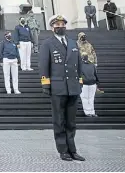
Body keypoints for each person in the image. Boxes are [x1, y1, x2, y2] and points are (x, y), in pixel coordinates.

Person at [40, 15, 85, 162]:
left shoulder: (73, 43)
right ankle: (63, 150)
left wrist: (80, 81)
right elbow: (44, 65)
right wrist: (46, 84)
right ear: (52, 27)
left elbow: (79, 65)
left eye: (63, 24)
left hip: (73, 87)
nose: (61, 27)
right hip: (58, 87)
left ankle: (73, 149)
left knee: (71, 121)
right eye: (57, 24)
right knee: (59, 120)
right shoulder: (48, 43)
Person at [79, 53, 99, 117]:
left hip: (84, 83)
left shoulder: (79, 65)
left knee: (84, 98)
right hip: (92, 83)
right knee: (91, 98)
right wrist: (97, 82)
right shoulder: (92, 65)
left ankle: (87, 112)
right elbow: (95, 74)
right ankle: (92, 112)